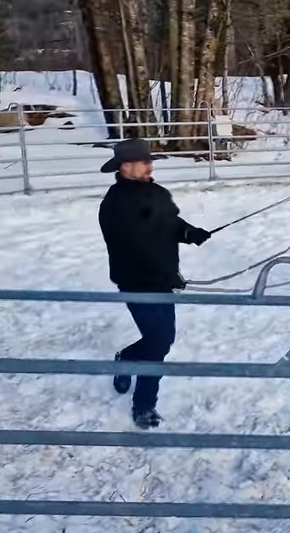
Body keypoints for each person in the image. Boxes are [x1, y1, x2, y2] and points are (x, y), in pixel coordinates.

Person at [97, 138, 212, 429]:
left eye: (150, 161)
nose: (150, 166)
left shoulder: (158, 193)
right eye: (144, 162)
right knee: (159, 342)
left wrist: (189, 233)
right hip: (136, 282)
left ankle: (126, 358)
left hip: (162, 280)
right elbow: (139, 244)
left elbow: (169, 224)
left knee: (162, 340)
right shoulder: (114, 204)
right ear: (125, 166)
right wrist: (167, 275)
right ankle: (144, 404)